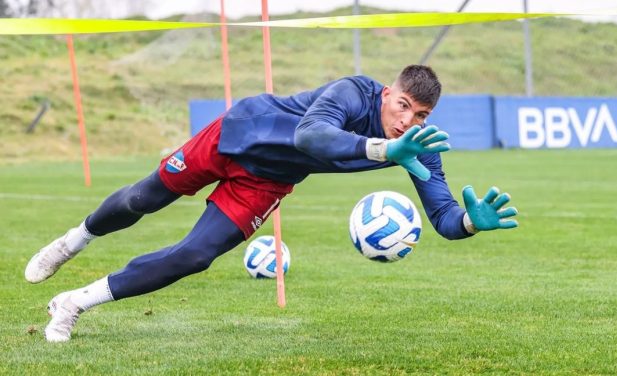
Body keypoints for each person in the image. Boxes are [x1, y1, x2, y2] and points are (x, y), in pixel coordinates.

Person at [25, 65, 518, 342]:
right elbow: (311, 136)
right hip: (238, 133)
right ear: (388, 93)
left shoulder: (420, 146)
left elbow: (444, 218)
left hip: (266, 183)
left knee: (196, 256)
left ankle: (73, 303)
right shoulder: (353, 92)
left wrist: (469, 224)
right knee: (142, 197)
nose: (407, 121)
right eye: (403, 106)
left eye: (421, 115)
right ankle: (75, 240)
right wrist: (383, 149)